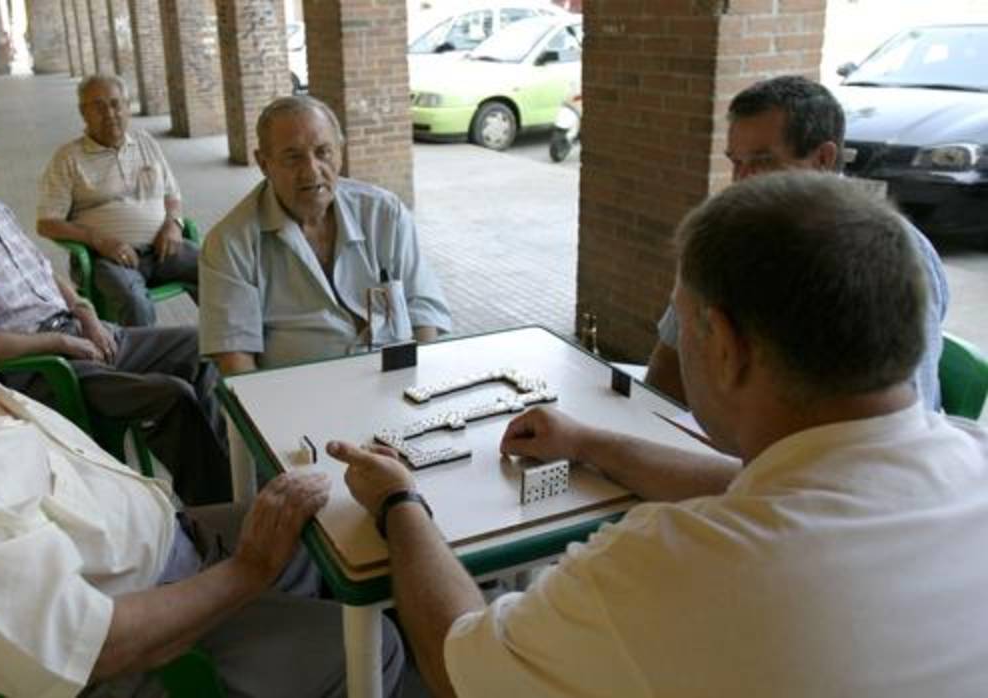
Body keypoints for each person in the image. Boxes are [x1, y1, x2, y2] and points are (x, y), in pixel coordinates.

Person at [328, 172, 988, 697]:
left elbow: (456, 664)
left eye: (680, 319)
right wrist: (589, 442)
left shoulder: (667, 568)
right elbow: (788, 490)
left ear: (725, 345)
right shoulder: (968, 454)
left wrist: (399, 503)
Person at [0, 150, 405, 698]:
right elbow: (94, 651)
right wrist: (248, 570)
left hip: (173, 547)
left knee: (344, 522)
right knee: (375, 645)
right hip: (159, 654)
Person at [0, 97, 231, 506]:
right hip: (40, 368)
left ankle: (230, 479)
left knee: (204, 347)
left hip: (79, 332)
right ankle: (219, 515)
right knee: (172, 396)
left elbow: (42, 271)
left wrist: (84, 310)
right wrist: (59, 343)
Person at [644, 75, 949, 409]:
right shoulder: (736, 234)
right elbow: (667, 373)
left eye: (762, 162)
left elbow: (899, 430)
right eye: (736, 163)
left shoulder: (887, 255)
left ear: (823, 159)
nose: (741, 182)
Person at [199, 95, 452, 374]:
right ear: (263, 163)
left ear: (340, 152)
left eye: (323, 152)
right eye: (293, 157)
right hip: (296, 397)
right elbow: (236, 360)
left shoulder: (384, 214)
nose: (311, 171)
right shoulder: (230, 242)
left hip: (392, 381)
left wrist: (417, 386)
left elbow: (424, 310)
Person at [37, 74, 196, 327]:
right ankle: (146, 360)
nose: (110, 113)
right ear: (83, 113)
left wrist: (174, 224)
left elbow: (172, 196)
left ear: (126, 106)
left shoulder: (146, 143)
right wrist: (99, 240)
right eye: (98, 106)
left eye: (115, 104)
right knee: (134, 301)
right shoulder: (68, 158)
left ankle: (231, 350)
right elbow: (47, 223)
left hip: (163, 250)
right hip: (108, 259)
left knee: (219, 271)